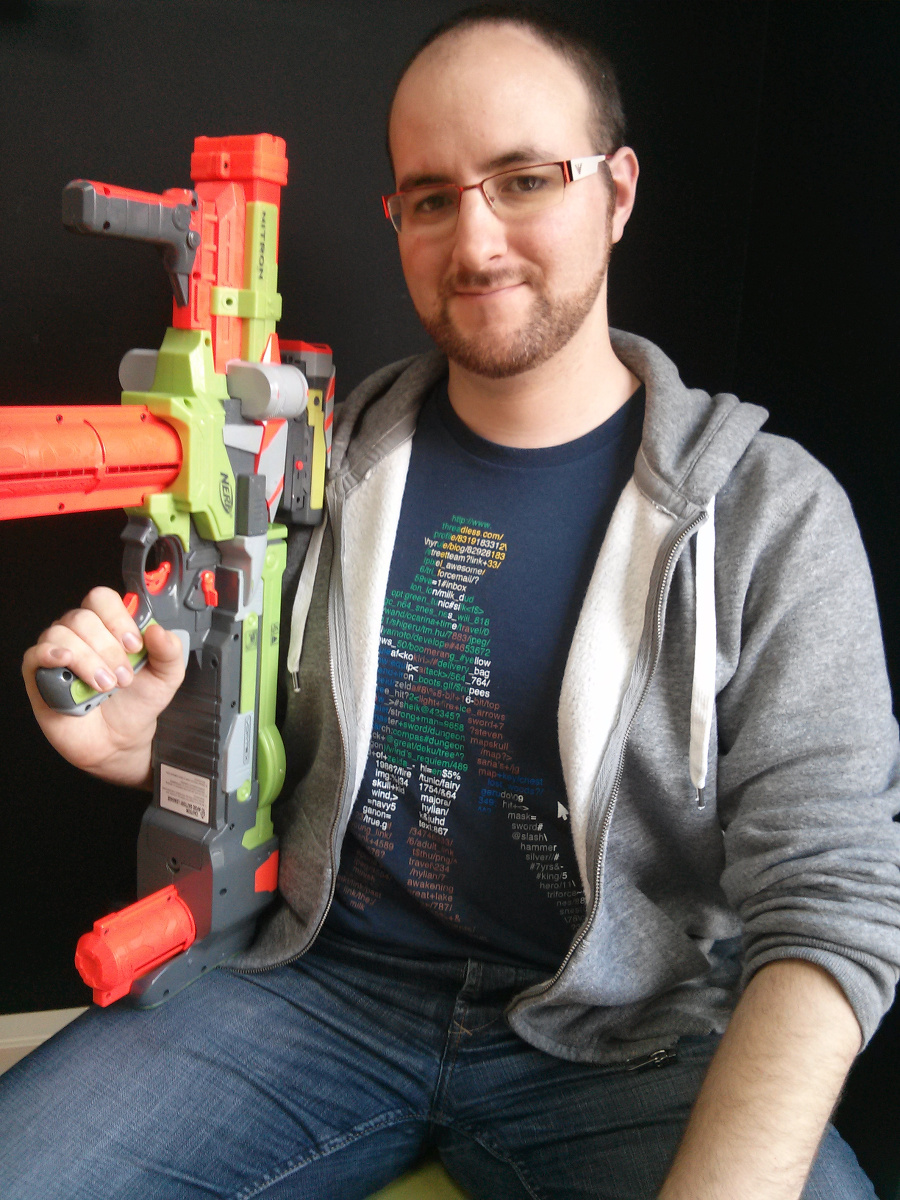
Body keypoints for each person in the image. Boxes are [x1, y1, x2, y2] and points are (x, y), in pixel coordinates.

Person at [2, 5, 899, 1199]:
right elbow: (263, 731)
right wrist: (147, 748)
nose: (474, 241)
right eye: (431, 198)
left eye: (524, 179)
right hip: (319, 990)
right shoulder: (319, 462)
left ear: (618, 191)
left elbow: (833, 903)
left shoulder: (770, 513)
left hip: (626, 1047)